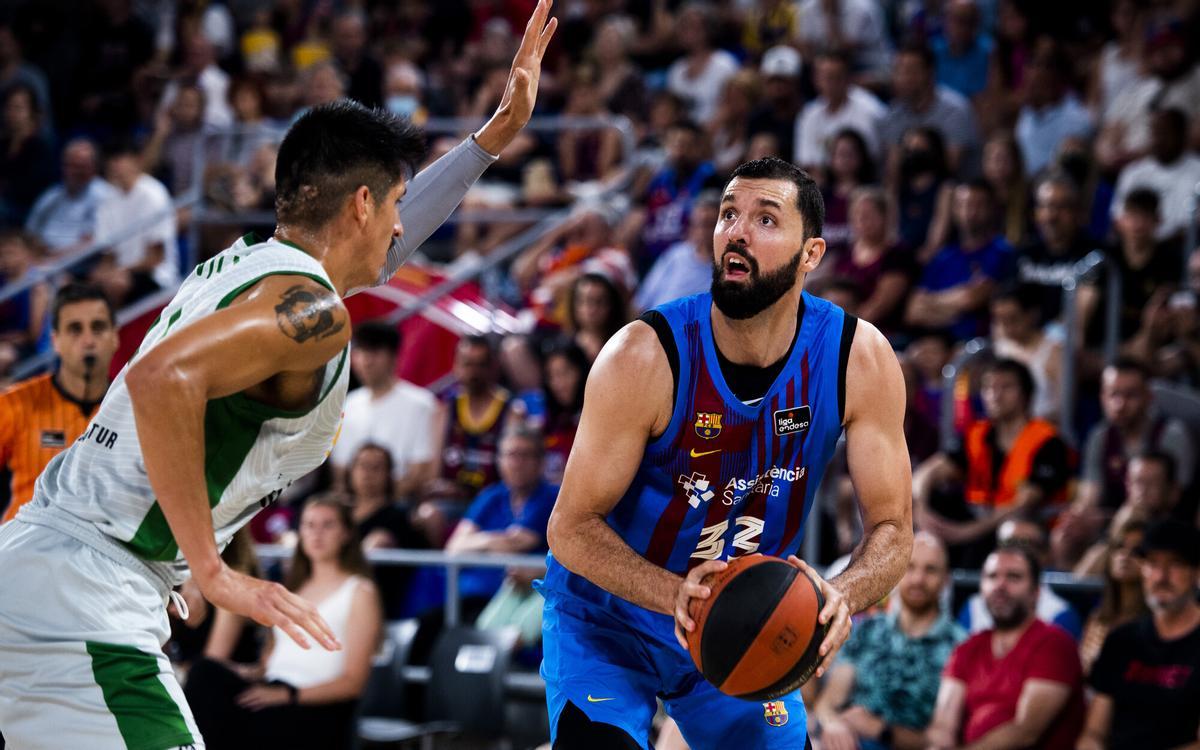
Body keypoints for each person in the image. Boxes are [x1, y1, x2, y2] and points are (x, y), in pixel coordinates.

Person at [0, 4, 556, 745]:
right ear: (361, 204)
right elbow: (161, 378)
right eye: (392, 203)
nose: (400, 228)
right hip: (87, 596)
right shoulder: (311, 308)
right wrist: (216, 570)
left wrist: (489, 141)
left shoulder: (247, 268)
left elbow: (379, 252)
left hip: (51, 568)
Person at [541, 156, 914, 748]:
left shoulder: (857, 358)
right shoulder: (643, 355)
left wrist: (840, 595)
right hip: (609, 621)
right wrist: (675, 595)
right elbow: (569, 528)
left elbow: (894, 527)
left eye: (766, 220)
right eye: (728, 214)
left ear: (811, 255)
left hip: (744, 622)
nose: (736, 232)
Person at [184, 497, 383, 750]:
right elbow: (267, 665)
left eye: (327, 525)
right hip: (274, 689)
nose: (317, 533)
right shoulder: (294, 587)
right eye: (309, 525)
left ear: (346, 534)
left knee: (232, 721)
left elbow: (354, 682)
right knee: (205, 674)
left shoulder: (359, 591)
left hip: (314, 706)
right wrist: (238, 673)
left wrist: (287, 696)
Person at [926, 543, 1086, 750]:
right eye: (992, 576)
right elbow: (943, 726)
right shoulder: (967, 648)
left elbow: (1025, 732)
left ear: (1036, 592)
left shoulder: (1055, 644)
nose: (1000, 585)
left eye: (1013, 577)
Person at [812, 533, 965, 750]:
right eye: (910, 567)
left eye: (930, 570)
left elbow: (942, 740)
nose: (918, 579)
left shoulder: (960, 645)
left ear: (946, 579)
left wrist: (880, 729)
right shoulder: (868, 629)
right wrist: (833, 723)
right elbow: (829, 703)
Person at [913, 359, 1072, 567]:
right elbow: (928, 472)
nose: (995, 395)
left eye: (1006, 387)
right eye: (989, 387)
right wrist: (922, 509)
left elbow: (1024, 504)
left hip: (1024, 527)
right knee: (938, 504)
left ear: (1026, 395)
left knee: (1005, 535)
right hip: (976, 522)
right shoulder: (977, 433)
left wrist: (966, 532)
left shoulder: (1048, 441)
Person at [0, 284, 118, 523]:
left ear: (115, 336)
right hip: (23, 550)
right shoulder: (15, 404)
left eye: (98, 328)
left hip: (101, 554)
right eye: (75, 329)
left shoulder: (135, 409)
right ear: (55, 340)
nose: (88, 340)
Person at [1078, 520, 1200, 750]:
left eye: (1174, 564)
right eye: (1152, 564)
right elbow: (1093, 732)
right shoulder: (1121, 640)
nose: (1161, 576)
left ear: (1196, 573)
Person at [328, 321, 437, 499]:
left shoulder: (421, 404)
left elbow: (421, 470)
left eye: (375, 353)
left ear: (394, 357)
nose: (366, 361)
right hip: (352, 503)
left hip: (399, 502)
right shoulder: (347, 404)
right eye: (360, 352)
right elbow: (340, 470)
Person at [905, 179, 1014, 342]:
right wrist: (954, 308)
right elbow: (913, 312)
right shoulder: (943, 256)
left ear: (991, 209)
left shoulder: (1001, 251)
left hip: (975, 343)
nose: (970, 212)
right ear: (954, 209)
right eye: (963, 204)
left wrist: (931, 302)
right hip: (933, 341)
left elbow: (971, 299)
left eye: (978, 205)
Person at [957, 518, 1083, 641]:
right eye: (1007, 544)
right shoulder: (973, 607)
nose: (1017, 552)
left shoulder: (1061, 614)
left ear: (1046, 555)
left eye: (1028, 544)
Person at [1076, 518, 1146, 675]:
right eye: (1120, 547)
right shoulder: (1097, 616)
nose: (1125, 556)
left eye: (1138, 551)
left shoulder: (1156, 620)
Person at [24, 138, 117, 254]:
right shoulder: (53, 194)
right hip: (43, 258)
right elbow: (31, 231)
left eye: (80, 166)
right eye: (70, 165)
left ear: (94, 167)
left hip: (78, 265)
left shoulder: (104, 195)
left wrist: (53, 259)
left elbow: (94, 242)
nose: (73, 171)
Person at [991, 285, 1063, 421]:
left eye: (1013, 319)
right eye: (1000, 320)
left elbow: (1064, 410)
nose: (1006, 327)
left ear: (1032, 315)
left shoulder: (1055, 352)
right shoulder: (999, 347)